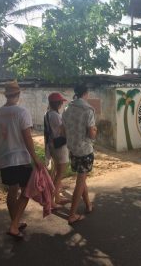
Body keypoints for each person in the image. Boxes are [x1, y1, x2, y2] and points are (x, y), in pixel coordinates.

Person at [0, 80, 44, 240]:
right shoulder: (22, 112)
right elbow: (27, 138)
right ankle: (14, 225)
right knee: (27, 192)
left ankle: (15, 222)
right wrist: (35, 158)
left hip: (5, 158)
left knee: (12, 191)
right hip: (20, 158)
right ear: (18, 94)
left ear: (6, 95)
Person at [62, 84, 97, 225]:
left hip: (73, 150)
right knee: (80, 181)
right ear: (86, 93)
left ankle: (88, 205)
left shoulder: (67, 109)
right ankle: (72, 215)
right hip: (85, 150)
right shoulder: (88, 110)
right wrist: (95, 131)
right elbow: (91, 134)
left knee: (81, 179)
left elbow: (63, 130)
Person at [44, 92, 69, 208]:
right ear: (57, 103)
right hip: (59, 146)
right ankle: (51, 201)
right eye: (60, 102)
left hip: (53, 146)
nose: (61, 104)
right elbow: (63, 130)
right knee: (59, 173)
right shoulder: (55, 115)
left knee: (55, 172)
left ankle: (56, 198)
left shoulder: (47, 114)